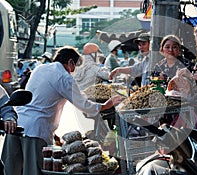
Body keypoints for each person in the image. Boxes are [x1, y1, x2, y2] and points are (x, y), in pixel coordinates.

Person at [1, 46, 122, 175]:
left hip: (16, 125)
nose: (73, 72)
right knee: (33, 171)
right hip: (36, 130)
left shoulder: (40, 68)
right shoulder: (64, 77)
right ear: (70, 62)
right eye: (75, 67)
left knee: (10, 170)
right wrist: (106, 105)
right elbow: (84, 105)